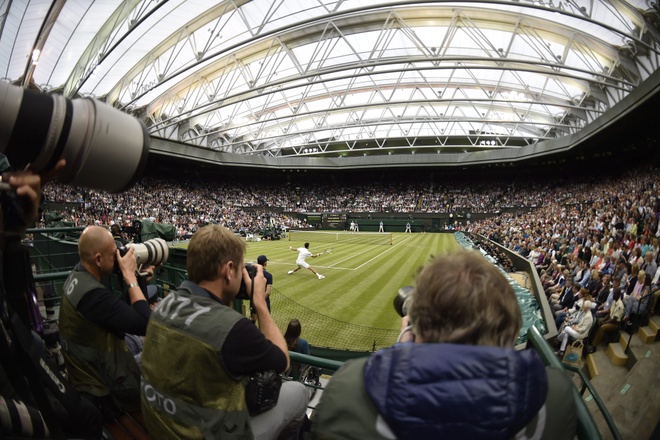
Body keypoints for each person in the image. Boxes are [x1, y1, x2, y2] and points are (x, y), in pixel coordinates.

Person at [310, 250, 576, 440]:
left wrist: (404, 348)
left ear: (419, 324)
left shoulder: (348, 387)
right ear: (507, 328)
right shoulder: (556, 394)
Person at [140, 225, 308, 439]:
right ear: (229, 270)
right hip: (203, 433)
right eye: (239, 269)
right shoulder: (232, 328)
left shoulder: (162, 306)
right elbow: (282, 361)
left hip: (161, 426)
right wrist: (259, 301)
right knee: (298, 391)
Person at [59, 225, 149, 416]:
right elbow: (146, 324)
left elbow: (121, 313)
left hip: (89, 362)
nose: (117, 258)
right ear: (98, 259)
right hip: (104, 387)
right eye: (113, 254)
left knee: (148, 341)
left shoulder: (78, 276)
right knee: (164, 353)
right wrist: (130, 277)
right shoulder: (93, 296)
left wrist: (137, 279)